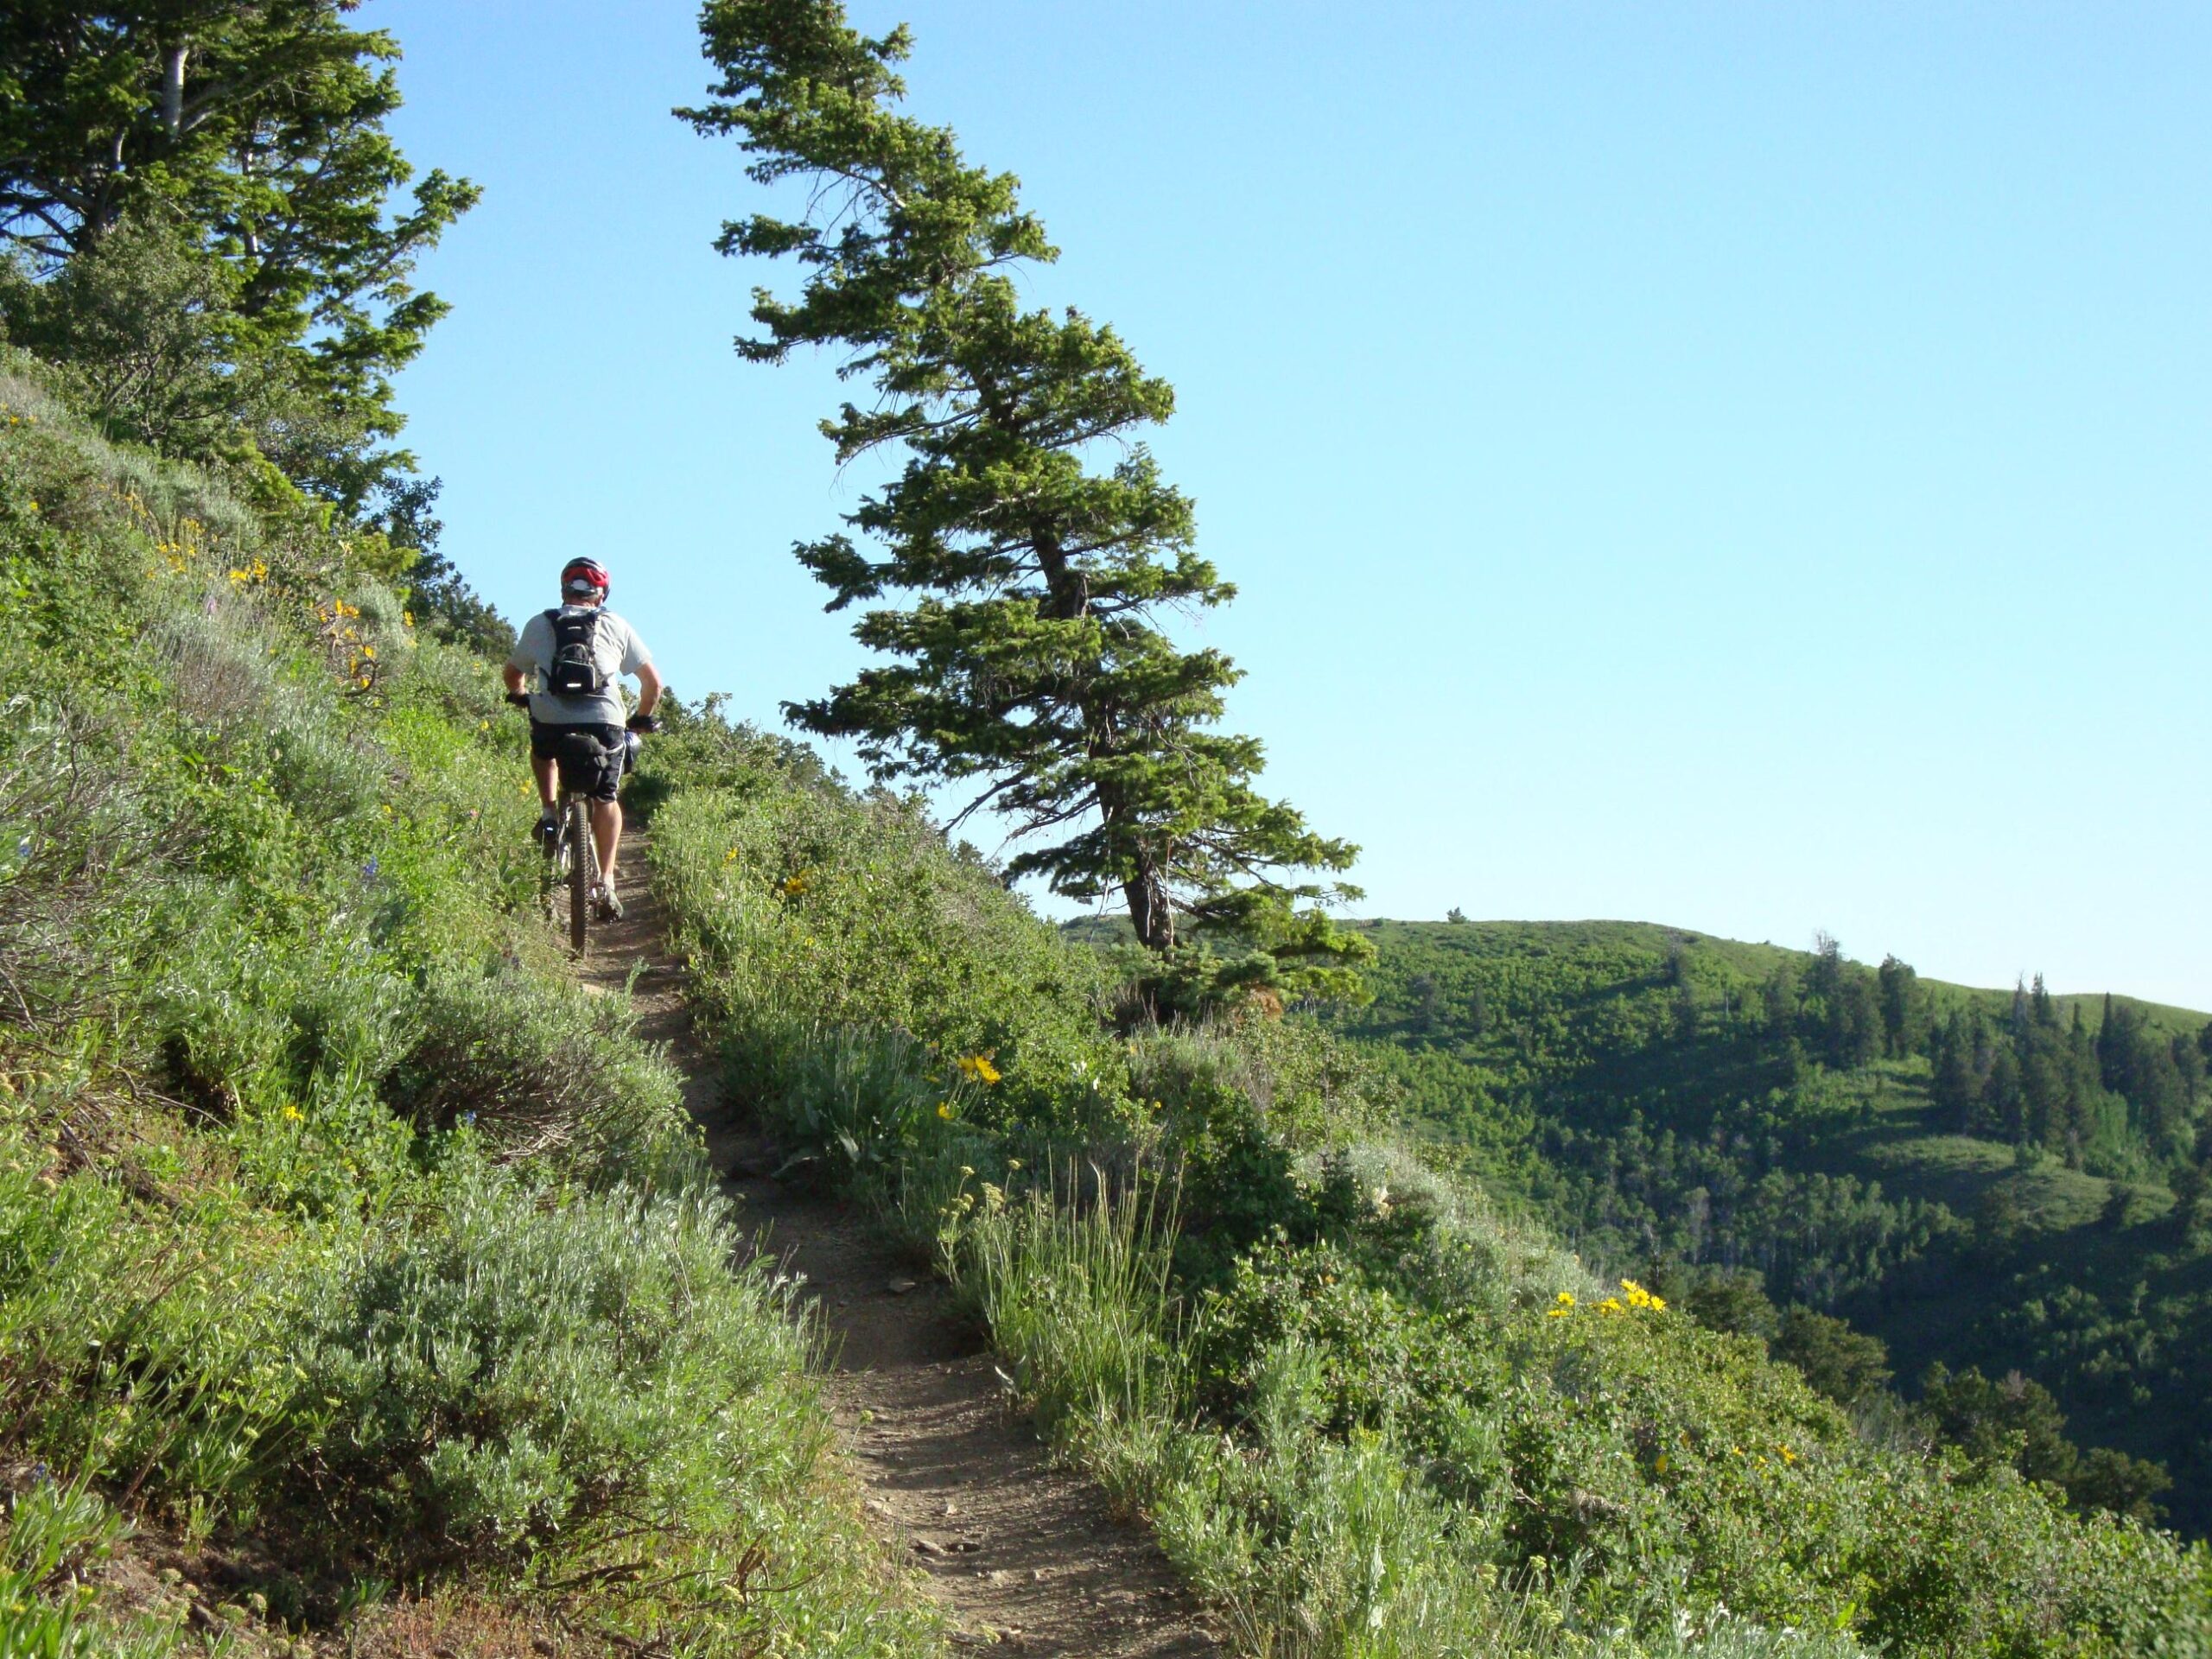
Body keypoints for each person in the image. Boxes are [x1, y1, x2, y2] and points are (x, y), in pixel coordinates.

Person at [502, 556, 661, 919]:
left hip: (550, 716)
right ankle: (606, 882)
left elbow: (512, 674)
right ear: (601, 594)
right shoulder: (615, 624)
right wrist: (641, 719)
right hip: (603, 720)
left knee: (543, 751)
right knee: (606, 798)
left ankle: (548, 814)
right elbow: (653, 684)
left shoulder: (540, 623)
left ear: (563, 590)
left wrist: (522, 695)